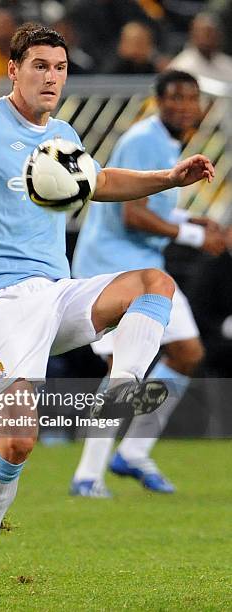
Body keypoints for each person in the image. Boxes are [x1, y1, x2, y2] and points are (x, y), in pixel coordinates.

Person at [0, 24, 215, 597]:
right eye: (41, 66)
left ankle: (119, 395)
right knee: (19, 441)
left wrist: (168, 178)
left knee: (154, 284)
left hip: (54, 293)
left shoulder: (64, 132)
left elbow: (99, 182)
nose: (52, 77)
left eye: (60, 68)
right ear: (14, 70)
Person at [70, 70, 226, 498]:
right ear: (158, 101)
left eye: (191, 98)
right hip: (113, 270)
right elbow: (131, 215)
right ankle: (88, 474)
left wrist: (192, 220)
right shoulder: (144, 138)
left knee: (187, 352)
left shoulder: (166, 141)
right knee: (121, 369)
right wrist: (195, 236)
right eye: (175, 97)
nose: (184, 105)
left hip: (146, 269)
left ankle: (133, 452)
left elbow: (150, 208)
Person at [169, 12, 232, 81]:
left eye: (213, 33)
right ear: (193, 35)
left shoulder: (228, 64)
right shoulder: (180, 66)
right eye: (205, 33)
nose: (209, 38)